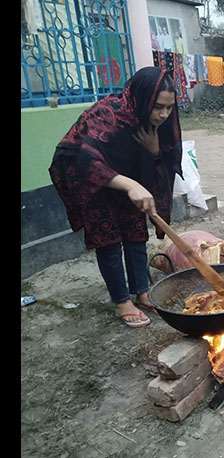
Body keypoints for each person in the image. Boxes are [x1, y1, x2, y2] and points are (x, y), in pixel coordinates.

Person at [49, 67, 182, 328]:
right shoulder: (107, 113)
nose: (164, 115)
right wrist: (130, 185)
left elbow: (167, 156)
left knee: (136, 234)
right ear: (143, 98)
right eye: (158, 107)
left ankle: (142, 292)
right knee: (108, 239)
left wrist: (155, 151)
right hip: (93, 183)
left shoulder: (157, 121)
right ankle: (122, 301)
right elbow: (83, 159)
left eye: (169, 108)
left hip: (130, 182)